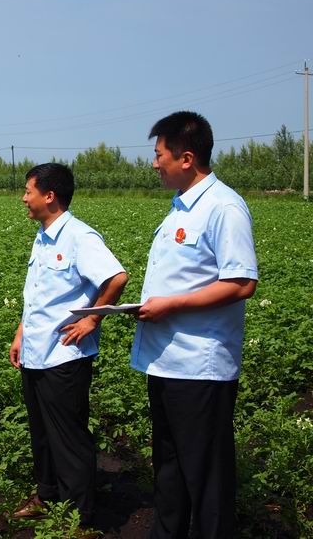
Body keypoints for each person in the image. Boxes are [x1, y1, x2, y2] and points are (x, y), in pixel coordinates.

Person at [132, 111, 258, 538]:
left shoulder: (223, 207)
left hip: (200, 367)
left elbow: (241, 282)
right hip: (166, 362)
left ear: (186, 158)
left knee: (207, 479)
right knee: (169, 469)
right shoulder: (181, 208)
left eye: (159, 155)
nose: (154, 163)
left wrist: (171, 306)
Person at [9, 163, 128, 525]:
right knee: (42, 432)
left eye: (28, 191)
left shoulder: (79, 237)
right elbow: (39, 296)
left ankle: (80, 518)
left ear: (49, 196)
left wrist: (92, 319)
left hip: (64, 356)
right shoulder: (43, 236)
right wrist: (21, 332)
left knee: (69, 437)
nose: (23, 198)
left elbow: (116, 277)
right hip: (36, 352)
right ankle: (47, 495)